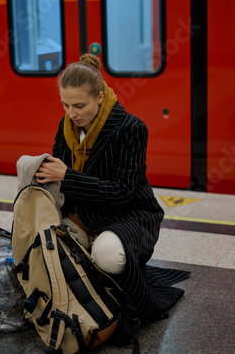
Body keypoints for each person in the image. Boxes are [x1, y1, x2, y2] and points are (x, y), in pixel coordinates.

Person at [35, 53, 188, 322]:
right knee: (43, 243)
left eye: (80, 105)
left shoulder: (131, 128)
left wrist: (67, 176)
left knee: (107, 256)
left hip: (129, 215)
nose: (72, 113)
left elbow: (122, 193)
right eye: (65, 105)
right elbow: (58, 177)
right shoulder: (66, 125)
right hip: (82, 213)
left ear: (100, 97)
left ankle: (119, 288)